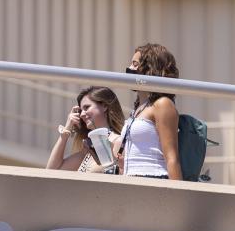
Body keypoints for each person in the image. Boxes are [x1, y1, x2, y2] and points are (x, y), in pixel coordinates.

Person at [118, 43, 183, 179]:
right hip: (132, 181)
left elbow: (172, 158)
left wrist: (178, 197)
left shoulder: (163, 104)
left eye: (135, 64)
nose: (129, 69)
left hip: (153, 178)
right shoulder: (138, 109)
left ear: (150, 69)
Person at [46, 86, 125, 172]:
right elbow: (52, 170)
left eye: (87, 107)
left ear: (104, 106)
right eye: (81, 110)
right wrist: (66, 131)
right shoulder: (87, 149)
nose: (82, 114)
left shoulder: (118, 142)